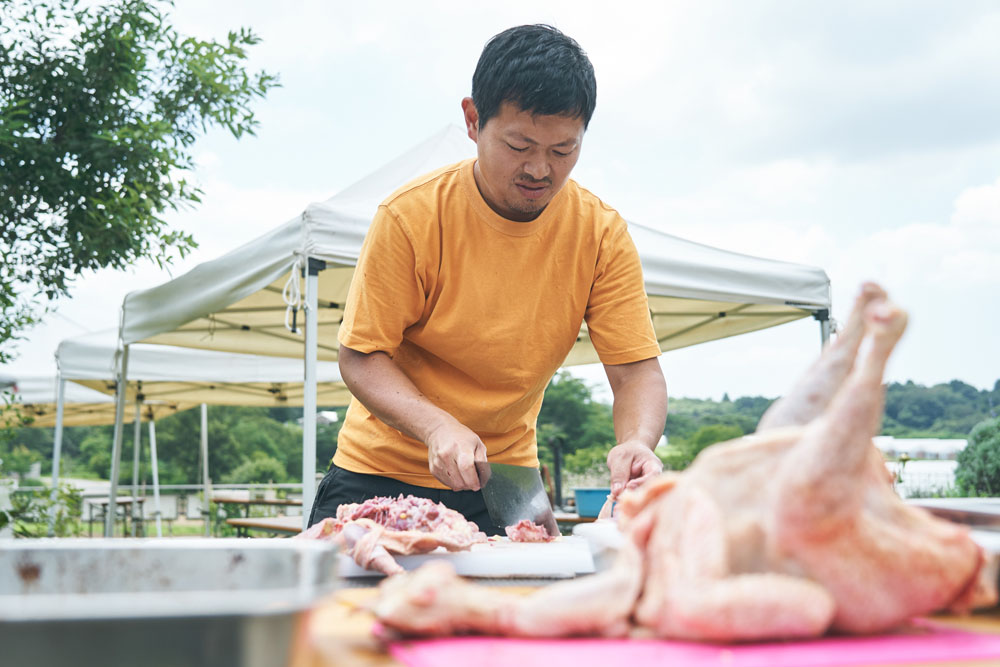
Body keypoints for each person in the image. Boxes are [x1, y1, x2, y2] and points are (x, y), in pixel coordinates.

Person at [308, 24, 667, 534]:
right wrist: (436, 426)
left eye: (563, 150)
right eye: (519, 145)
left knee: (538, 585)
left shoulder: (601, 233)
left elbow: (635, 372)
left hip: (507, 478)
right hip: (378, 471)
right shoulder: (410, 216)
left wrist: (636, 442)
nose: (539, 169)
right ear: (473, 120)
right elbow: (361, 356)